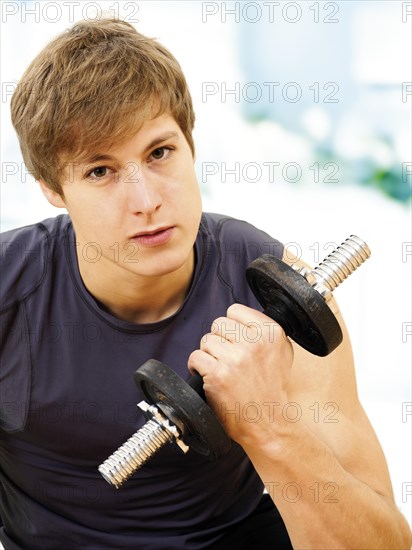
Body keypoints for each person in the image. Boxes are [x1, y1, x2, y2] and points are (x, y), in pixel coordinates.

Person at [0, 17, 410, 550]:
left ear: (190, 145)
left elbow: (385, 545)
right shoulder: (11, 293)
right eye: (100, 171)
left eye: (159, 152)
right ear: (53, 189)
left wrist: (269, 425)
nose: (146, 199)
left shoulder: (272, 289)